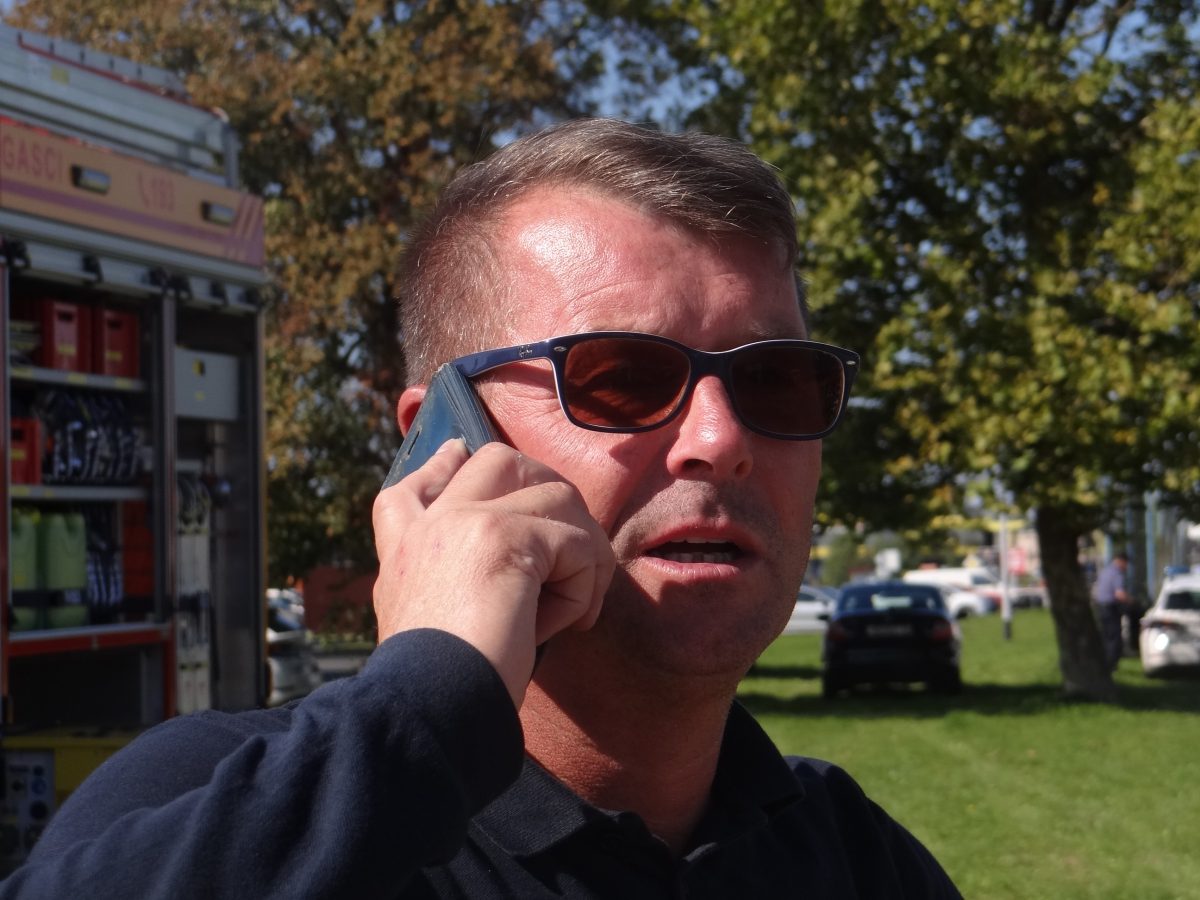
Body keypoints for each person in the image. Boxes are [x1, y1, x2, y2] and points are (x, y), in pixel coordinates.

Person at [2, 118, 960, 898]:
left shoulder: (858, 860)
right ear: (443, 447)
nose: (720, 437)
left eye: (779, 379)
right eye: (622, 377)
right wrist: (426, 705)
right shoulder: (209, 802)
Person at [1093, 553, 1131, 671]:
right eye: (1126, 564)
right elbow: (1119, 594)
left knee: (1105, 636)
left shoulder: (1105, 571)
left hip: (1100, 607)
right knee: (1114, 637)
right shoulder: (1117, 573)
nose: (1126, 567)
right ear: (1121, 561)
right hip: (1110, 608)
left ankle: (1102, 662)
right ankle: (1111, 664)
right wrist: (1132, 601)